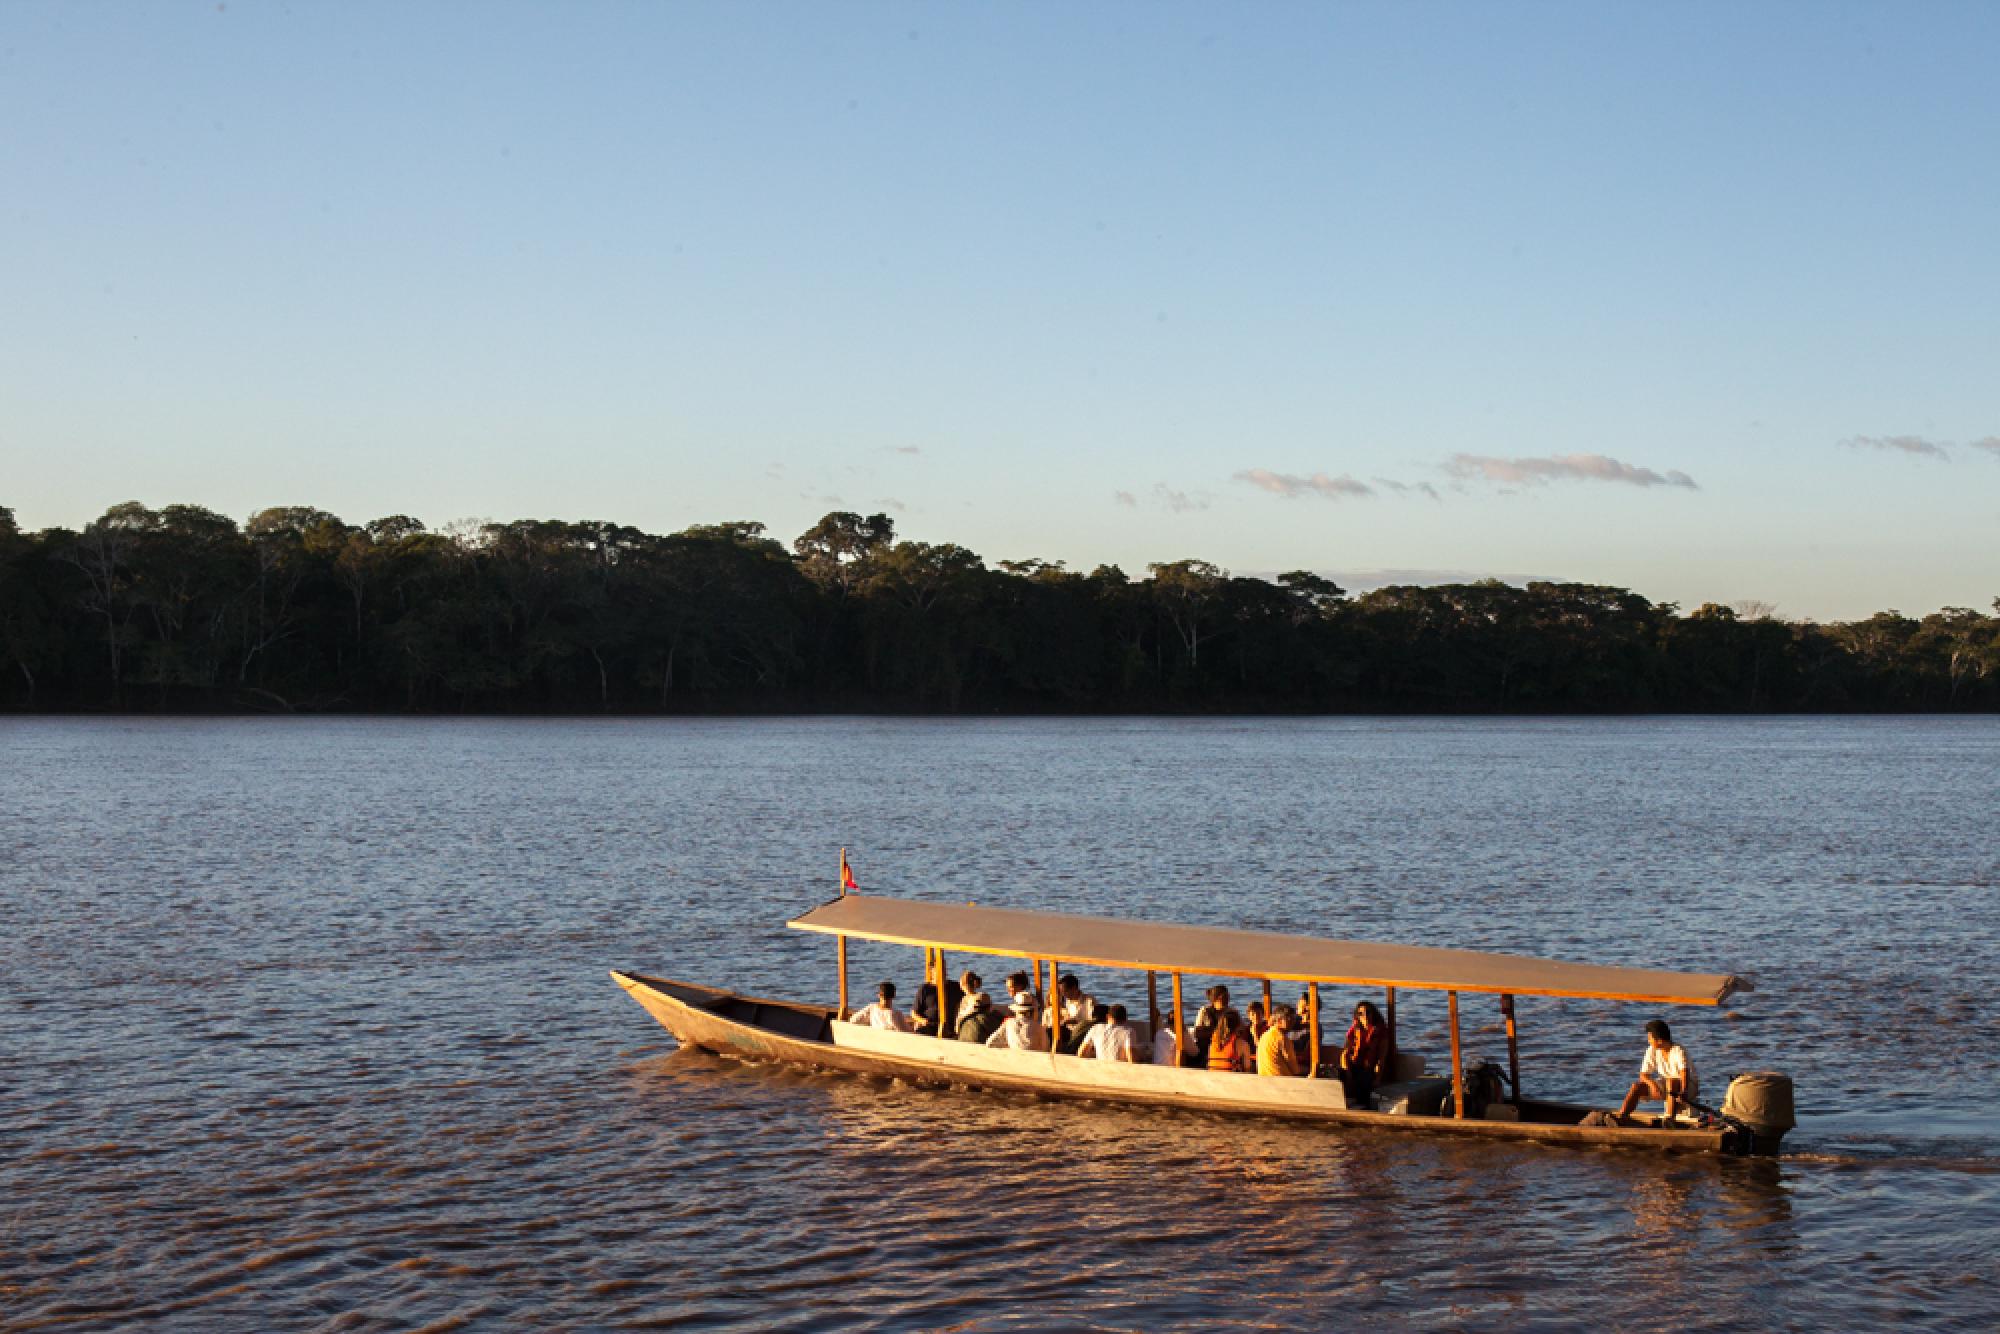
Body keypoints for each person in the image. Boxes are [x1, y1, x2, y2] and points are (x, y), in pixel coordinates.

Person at [1617, 1019, 1698, 1123]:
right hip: (1667, 1086)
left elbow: (1684, 1073)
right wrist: (1653, 1085)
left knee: (1671, 1081)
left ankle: (1669, 1119)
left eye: (1650, 1038)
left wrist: (1683, 1092)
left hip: (1687, 1087)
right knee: (1636, 1086)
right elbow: (1643, 1075)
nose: (1648, 1041)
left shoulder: (1678, 1050)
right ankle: (1622, 1116)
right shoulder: (1651, 1050)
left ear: (1659, 1040)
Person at [1339, 1001, 1389, 1105]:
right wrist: (1348, 1074)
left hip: (1369, 1069)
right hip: (1352, 1065)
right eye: (1361, 1013)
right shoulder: (1354, 1030)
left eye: (1368, 1012)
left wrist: (1378, 1078)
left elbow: (1381, 1058)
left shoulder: (1381, 1031)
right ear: (1357, 1016)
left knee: (1363, 1080)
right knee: (1336, 1076)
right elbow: (1344, 1054)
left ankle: (1362, 1107)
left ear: (1373, 1014)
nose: (1365, 1016)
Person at [1257, 1006, 1303, 1077]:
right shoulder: (1282, 1038)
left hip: (1264, 1079)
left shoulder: (1264, 1035)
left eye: (1293, 1019)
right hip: (1282, 1082)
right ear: (1279, 1021)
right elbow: (1294, 1068)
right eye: (1290, 1019)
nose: (1293, 1022)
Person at [1055, 974, 1096, 1054]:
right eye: (1062, 992)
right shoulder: (1067, 1002)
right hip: (1069, 1032)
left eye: (1065, 991)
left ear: (1074, 988)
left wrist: (1075, 1021)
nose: (1064, 995)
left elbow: (1093, 1021)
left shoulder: (1089, 1000)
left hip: (1083, 1033)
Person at [1205, 1008, 1256, 1073]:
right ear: (1238, 1025)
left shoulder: (1213, 1043)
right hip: (1231, 1081)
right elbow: (1248, 1070)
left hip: (1213, 1080)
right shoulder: (1241, 1044)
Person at [1190, 985, 1231, 1065]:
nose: (1227, 999)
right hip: (1206, 1047)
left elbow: (1240, 1028)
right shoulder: (1204, 1011)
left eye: (1228, 996)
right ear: (1215, 999)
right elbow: (1196, 1033)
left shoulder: (1230, 1012)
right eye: (1224, 997)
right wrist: (1216, 1033)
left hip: (1226, 1047)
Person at [1150, 1002, 1183, 1067]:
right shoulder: (1178, 1037)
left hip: (1157, 1067)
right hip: (1171, 1069)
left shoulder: (1158, 1034)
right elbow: (1194, 1052)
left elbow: (1161, 1025)